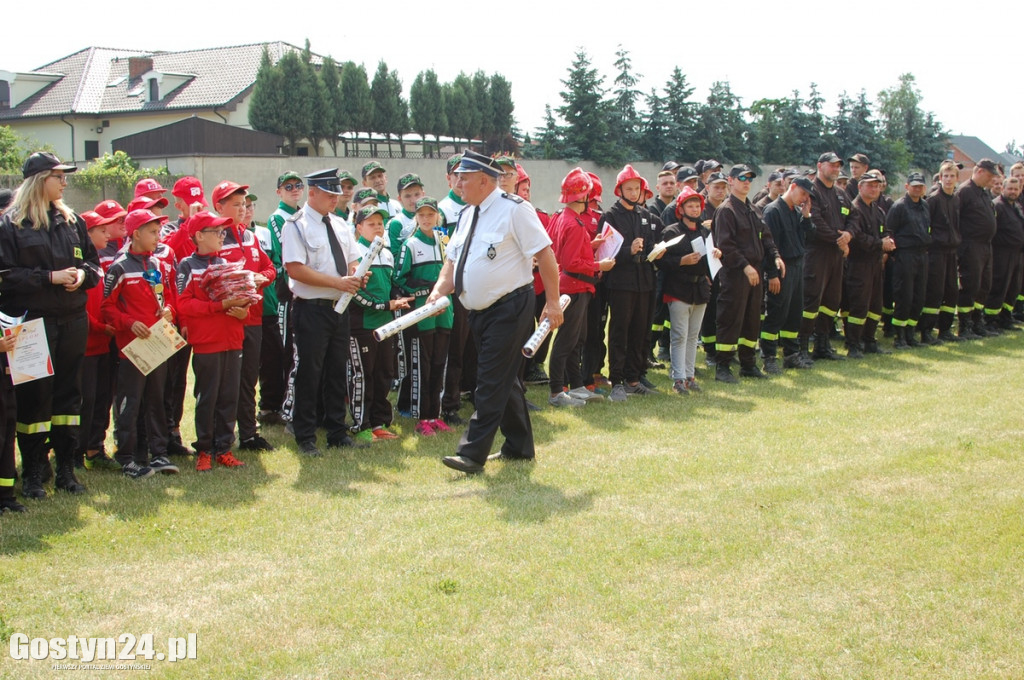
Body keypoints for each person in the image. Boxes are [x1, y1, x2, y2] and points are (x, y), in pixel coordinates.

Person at [424, 151, 562, 475]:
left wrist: (553, 303)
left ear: (484, 180)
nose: (457, 183)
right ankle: (519, 446)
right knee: (505, 378)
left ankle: (472, 453)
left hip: (510, 307)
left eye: (463, 177)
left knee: (488, 378)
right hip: (478, 311)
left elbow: (545, 254)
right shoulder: (467, 214)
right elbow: (452, 261)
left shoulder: (515, 209)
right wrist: (437, 290)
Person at [0, 152, 101, 498]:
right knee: (34, 400)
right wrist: (48, 277)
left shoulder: (73, 222)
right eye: (59, 176)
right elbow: (5, 277)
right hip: (31, 323)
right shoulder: (10, 225)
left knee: (69, 399)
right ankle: (32, 475)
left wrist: (82, 276)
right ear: (40, 179)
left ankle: (66, 472)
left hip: (73, 319)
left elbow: (94, 264)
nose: (65, 182)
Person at [282, 169, 369, 457]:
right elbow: (295, 269)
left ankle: (336, 431)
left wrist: (358, 276)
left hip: (339, 308)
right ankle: (305, 435)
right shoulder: (296, 225)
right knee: (309, 372)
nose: (335, 199)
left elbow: (352, 260)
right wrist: (338, 282)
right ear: (313, 192)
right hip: (312, 308)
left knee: (336, 372)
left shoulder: (341, 224)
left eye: (337, 194)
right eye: (329, 194)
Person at [102, 209, 180, 478]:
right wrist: (128, 323)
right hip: (132, 350)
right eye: (153, 232)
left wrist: (168, 310)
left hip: (158, 344)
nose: (158, 238)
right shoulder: (119, 266)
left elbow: (168, 296)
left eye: (159, 232)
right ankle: (126, 457)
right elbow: (106, 307)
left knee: (156, 399)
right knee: (130, 402)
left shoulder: (156, 265)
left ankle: (158, 453)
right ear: (135, 234)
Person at [175, 211, 249, 471]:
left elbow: (245, 298)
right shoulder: (187, 265)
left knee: (229, 395)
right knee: (208, 396)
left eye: (222, 232)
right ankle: (204, 449)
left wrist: (244, 311)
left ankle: (224, 448)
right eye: (216, 232)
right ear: (198, 236)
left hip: (234, 339)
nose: (221, 237)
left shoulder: (231, 262)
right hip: (207, 342)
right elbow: (183, 304)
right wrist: (220, 306)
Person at [210, 181, 275, 452]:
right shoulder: (212, 236)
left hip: (253, 319)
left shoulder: (249, 235)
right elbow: (207, 282)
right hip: (227, 321)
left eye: (244, 204)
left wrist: (263, 278)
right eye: (235, 204)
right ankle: (217, 437)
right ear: (218, 207)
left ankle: (248, 434)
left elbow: (270, 268)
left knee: (248, 379)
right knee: (223, 382)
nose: (242, 209)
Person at [546, 168, 612, 407]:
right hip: (574, 287)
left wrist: (590, 245)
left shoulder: (565, 218)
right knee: (567, 341)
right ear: (582, 197)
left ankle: (577, 387)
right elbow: (572, 262)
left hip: (575, 287)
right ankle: (556, 392)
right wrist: (599, 264)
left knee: (577, 339)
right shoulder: (573, 223)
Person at [713, 165, 783, 383]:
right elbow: (726, 245)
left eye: (749, 179)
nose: (746, 182)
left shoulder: (753, 209)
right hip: (735, 274)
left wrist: (776, 257)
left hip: (756, 272)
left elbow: (766, 238)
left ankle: (748, 364)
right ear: (731, 181)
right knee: (731, 319)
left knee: (752, 320)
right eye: (742, 178)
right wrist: (744, 266)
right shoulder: (727, 210)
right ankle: (723, 366)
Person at [349, 205, 411, 441]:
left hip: (386, 327)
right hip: (362, 325)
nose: (377, 227)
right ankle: (361, 425)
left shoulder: (386, 252)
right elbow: (356, 293)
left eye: (380, 223)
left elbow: (392, 284)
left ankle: (379, 423)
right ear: (358, 227)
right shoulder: (354, 252)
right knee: (363, 375)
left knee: (384, 373)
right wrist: (385, 306)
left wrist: (397, 299)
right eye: (371, 223)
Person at [601, 166, 664, 401]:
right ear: (620, 190)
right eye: (629, 188)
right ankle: (616, 381)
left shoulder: (645, 215)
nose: (634, 192)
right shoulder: (610, 216)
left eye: (637, 188)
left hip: (645, 281)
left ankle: (634, 379)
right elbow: (605, 254)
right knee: (620, 332)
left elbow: (651, 246)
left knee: (641, 331)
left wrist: (657, 251)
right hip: (621, 283)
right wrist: (629, 250)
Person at [393, 198, 451, 433]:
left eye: (431, 214)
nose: (426, 219)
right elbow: (399, 280)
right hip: (423, 311)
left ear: (438, 216)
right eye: (422, 215)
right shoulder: (410, 244)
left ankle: (434, 414)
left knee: (439, 363)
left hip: (445, 312)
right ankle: (421, 417)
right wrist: (428, 289)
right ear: (416, 217)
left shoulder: (444, 240)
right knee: (422, 365)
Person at [255, 171, 303, 426]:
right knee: (283, 350)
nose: (294, 189)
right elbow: (282, 256)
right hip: (285, 292)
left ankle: (291, 401)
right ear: (279, 192)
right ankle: (279, 404)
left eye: (298, 185)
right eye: (288, 186)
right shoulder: (278, 218)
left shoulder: (303, 215)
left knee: (295, 350)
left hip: (303, 290)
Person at [800, 152, 853, 363]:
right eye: (831, 165)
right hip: (817, 254)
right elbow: (816, 222)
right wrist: (839, 240)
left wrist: (849, 235)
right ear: (820, 166)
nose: (836, 169)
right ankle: (803, 347)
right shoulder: (812, 191)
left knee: (832, 300)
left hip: (836, 256)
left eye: (838, 166)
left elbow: (853, 216)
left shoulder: (840, 193)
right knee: (811, 301)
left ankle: (823, 344)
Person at [656, 186, 711, 393]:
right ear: (681, 208)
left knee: (693, 335)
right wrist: (682, 261)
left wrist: (716, 255)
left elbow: (708, 262)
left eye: (697, 206)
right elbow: (660, 262)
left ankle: (689, 376)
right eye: (690, 205)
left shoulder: (706, 232)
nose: (695, 210)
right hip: (678, 289)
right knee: (679, 334)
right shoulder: (671, 232)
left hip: (700, 289)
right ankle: (678, 378)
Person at [760, 177, 815, 370]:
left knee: (794, 312)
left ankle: (791, 355)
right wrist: (773, 274)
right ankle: (768, 356)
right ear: (792, 187)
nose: (804, 198)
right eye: (803, 193)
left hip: (797, 266)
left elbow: (809, 237)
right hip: (781, 268)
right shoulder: (773, 211)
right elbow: (768, 245)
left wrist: (807, 216)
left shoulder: (798, 212)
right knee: (777, 312)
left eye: (808, 196)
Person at [844, 171, 894, 357]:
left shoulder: (878, 210)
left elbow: (885, 231)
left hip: (875, 264)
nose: (874, 189)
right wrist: (880, 244)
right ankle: (853, 344)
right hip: (859, 264)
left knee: (875, 304)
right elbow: (857, 238)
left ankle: (869, 340)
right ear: (860, 187)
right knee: (859, 305)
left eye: (877, 185)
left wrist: (888, 241)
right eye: (870, 185)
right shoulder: (854, 209)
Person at [884, 172, 932, 348]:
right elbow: (890, 232)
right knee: (904, 295)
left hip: (921, 255)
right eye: (914, 186)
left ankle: (911, 334)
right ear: (907, 186)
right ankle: (900, 337)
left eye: (920, 186)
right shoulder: (899, 207)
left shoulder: (925, 205)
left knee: (919, 296)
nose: (917, 189)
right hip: (905, 255)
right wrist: (895, 256)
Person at [956, 159, 1001, 339]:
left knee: (984, 285)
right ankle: (964, 325)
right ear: (979, 171)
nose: (991, 180)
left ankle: (976, 322)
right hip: (970, 245)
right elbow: (956, 218)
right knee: (970, 284)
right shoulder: (965, 192)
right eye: (989, 176)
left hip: (985, 246)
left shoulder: (983, 193)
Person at [921, 160, 962, 343]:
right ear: (940, 178)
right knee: (934, 292)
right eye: (945, 176)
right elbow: (925, 225)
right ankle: (926, 331)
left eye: (952, 176)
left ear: (956, 178)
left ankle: (945, 330)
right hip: (936, 252)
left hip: (952, 252)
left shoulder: (956, 199)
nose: (948, 179)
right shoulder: (933, 199)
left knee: (951, 290)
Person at [984, 176, 1024, 331]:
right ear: (1003, 189)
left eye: (1016, 189)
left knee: (1013, 287)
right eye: (1010, 189)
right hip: (1001, 253)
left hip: (1017, 254)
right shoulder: (997, 206)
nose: (1013, 192)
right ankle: (990, 320)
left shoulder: (1017, 206)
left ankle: (1006, 317)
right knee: (999, 286)